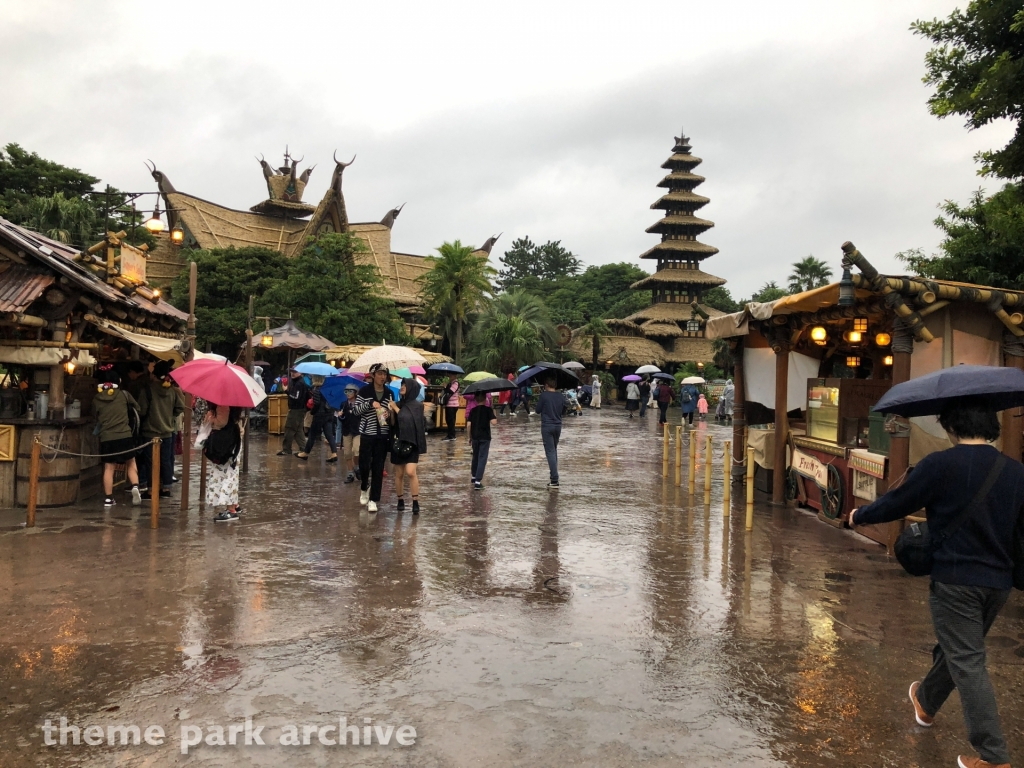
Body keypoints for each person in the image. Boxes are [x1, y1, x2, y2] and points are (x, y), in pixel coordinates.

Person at [848, 397, 1024, 768]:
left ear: (952, 426)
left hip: (956, 579)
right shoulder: (1015, 472)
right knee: (959, 649)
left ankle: (993, 757)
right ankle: (926, 702)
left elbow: (898, 502)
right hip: (999, 581)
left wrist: (859, 515)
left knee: (967, 660)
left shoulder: (940, 465)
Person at [91, 365, 142, 508]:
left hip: (107, 437)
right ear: (118, 381)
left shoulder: (96, 398)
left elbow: (94, 416)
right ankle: (135, 486)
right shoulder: (124, 394)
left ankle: (108, 498)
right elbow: (138, 409)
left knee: (109, 467)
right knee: (131, 463)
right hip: (125, 435)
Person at [136, 359, 184, 499]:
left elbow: (142, 411)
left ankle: (151, 490)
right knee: (166, 461)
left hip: (150, 432)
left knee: (151, 462)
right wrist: (170, 416)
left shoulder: (147, 390)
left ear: (154, 375)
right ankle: (166, 488)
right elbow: (180, 407)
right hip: (167, 431)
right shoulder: (172, 391)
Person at [353, 363, 394, 513]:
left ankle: (373, 499)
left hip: (382, 435)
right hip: (367, 434)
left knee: (378, 467)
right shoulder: (364, 391)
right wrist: (370, 404)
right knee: (364, 466)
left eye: (385, 374)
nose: (383, 377)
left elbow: (391, 414)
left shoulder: (389, 393)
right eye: (380, 374)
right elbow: (356, 411)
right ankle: (364, 487)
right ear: (372, 375)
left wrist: (389, 415)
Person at [388, 378, 427, 514]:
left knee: (411, 472)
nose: (402, 387)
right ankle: (400, 500)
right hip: (398, 441)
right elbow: (393, 424)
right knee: (399, 473)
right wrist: (391, 412)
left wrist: (395, 408)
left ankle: (415, 501)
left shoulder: (417, 406)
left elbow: (407, 419)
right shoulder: (397, 404)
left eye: (405, 385)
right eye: (401, 385)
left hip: (412, 442)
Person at [204, 403, 242, 523]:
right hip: (232, 442)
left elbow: (221, 422)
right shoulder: (233, 404)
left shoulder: (223, 404)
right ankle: (234, 504)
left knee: (228, 475)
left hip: (224, 444)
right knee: (231, 473)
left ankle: (231, 510)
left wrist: (210, 417)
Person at [297, 375, 338, 462]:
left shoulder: (317, 390)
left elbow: (317, 403)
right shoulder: (329, 389)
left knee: (312, 435)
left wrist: (312, 412)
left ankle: (306, 453)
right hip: (329, 414)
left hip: (319, 415)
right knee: (329, 434)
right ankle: (334, 453)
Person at [536, 376, 563, 489]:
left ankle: (554, 479)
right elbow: (564, 409)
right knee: (554, 450)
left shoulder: (544, 395)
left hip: (547, 425)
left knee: (550, 452)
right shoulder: (560, 396)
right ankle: (553, 477)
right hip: (558, 425)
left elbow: (537, 410)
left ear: (547, 385)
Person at [469, 392, 497, 489]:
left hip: (475, 437)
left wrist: (470, 437)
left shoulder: (472, 410)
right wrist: (494, 413)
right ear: (486, 399)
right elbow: (494, 422)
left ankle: (473, 476)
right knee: (482, 458)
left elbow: (468, 425)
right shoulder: (488, 410)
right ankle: (478, 481)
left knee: (475, 457)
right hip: (485, 437)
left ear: (475, 400)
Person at [278, 368, 309, 456]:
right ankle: (304, 449)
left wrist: (286, 391)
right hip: (299, 409)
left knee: (289, 428)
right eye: (291, 371)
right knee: (298, 430)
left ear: (300, 372)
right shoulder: (296, 382)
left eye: (295, 372)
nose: (292, 373)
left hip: (296, 409)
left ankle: (287, 449)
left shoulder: (299, 383)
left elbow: (296, 397)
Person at [340, 384, 361, 482]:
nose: (348, 394)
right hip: (347, 430)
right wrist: (340, 416)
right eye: (346, 392)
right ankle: (350, 473)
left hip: (357, 431)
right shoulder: (343, 404)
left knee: (356, 450)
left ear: (355, 393)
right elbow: (342, 420)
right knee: (347, 453)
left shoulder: (360, 404)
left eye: (350, 391)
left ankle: (356, 466)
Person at [440, 372, 460, 440]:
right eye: (449, 376)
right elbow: (446, 391)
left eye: (451, 376)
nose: (450, 377)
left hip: (453, 405)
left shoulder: (456, 383)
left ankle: (452, 435)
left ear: (454, 376)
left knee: (451, 420)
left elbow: (451, 391)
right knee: (448, 420)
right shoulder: (450, 383)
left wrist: (446, 387)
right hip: (449, 404)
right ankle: (450, 434)